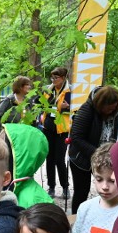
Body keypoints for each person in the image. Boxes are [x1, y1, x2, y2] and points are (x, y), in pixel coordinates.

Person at [68, 85, 118, 213]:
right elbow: (76, 137)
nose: (111, 110)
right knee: (81, 192)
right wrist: (99, 154)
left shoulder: (117, 113)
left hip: (107, 158)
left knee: (110, 189)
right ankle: (76, 220)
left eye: (114, 107)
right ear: (101, 104)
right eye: (109, 108)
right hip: (82, 159)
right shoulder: (87, 109)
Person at [40, 67, 71, 199]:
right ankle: (51, 187)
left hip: (61, 130)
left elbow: (71, 110)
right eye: (52, 77)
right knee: (50, 159)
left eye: (56, 78)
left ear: (63, 78)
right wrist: (58, 107)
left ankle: (65, 187)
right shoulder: (49, 90)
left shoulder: (70, 91)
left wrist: (64, 107)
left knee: (59, 159)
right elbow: (43, 106)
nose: (53, 80)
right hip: (48, 128)